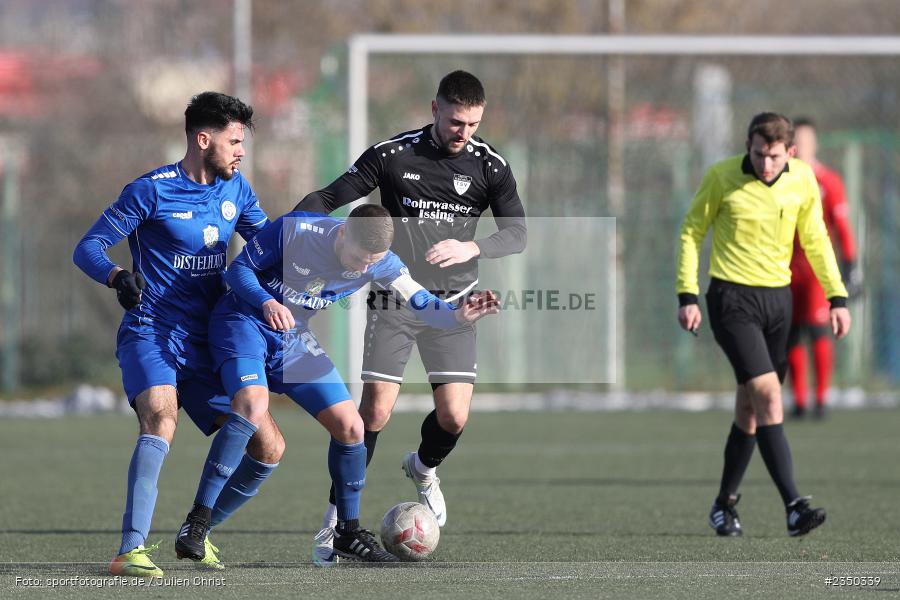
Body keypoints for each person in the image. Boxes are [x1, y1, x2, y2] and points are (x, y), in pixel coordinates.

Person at [174, 204, 499, 564]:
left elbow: (421, 301)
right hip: (243, 322)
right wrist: (266, 302)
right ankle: (197, 522)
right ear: (343, 232)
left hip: (293, 339)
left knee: (352, 427)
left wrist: (456, 314)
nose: (361, 269)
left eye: (370, 263)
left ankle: (346, 532)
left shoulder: (381, 262)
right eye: (358, 259)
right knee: (252, 405)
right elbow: (239, 270)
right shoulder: (297, 231)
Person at [294, 70, 526, 563]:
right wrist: (291, 227)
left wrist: (472, 246)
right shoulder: (393, 155)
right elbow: (331, 197)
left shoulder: (490, 166)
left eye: (473, 123)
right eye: (456, 121)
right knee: (374, 413)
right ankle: (334, 524)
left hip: (454, 303)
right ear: (435, 109)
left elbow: (517, 233)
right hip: (396, 299)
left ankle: (422, 468)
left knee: (454, 416)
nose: (464, 132)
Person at [73, 92, 283, 577]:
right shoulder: (150, 191)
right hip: (151, 330)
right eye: (234, 142)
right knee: (161, 418)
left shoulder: (237, 190)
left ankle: (197, 530)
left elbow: (271, 246)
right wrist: (116, 276)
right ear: (203, 139)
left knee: (268, 446)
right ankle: (130, 550)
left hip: (210, 340)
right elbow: (88, 248)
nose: (241, 152)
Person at [675, 112, 851, 538]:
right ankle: (794, 506)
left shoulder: (803, 180)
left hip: (778, 303)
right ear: (747, 147)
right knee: (769, 395)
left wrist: (837, 296)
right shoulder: (721, 176)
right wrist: (687, 295)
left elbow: (816, 239)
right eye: (758, 155)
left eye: (774, 156)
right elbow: (691, 232)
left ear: (790, 152)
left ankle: (723, 505)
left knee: (750, 409)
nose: (765, 164)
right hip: (732, 300)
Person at [787, 118, 860, 419]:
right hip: (785, 269)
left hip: (817, 269)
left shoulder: (828, 181)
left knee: (818, 329)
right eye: (797, 141)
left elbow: (842, 228)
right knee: (791, 333)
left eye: (807, 140)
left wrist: (850, 265)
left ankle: (820, 399)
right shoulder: (780, 179)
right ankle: (799, 400)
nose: (802, 146)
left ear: (815, 143)